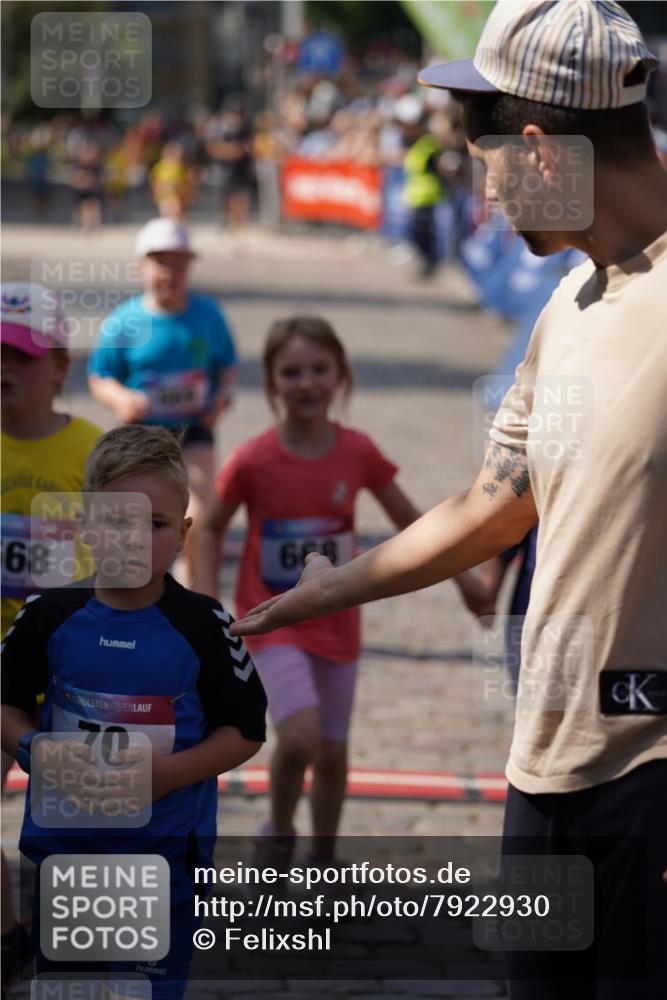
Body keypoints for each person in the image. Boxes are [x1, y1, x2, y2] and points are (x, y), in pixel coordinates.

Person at [231, 2, 667, 996]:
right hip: (548, 768)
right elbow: (493, 505)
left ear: (537, 147)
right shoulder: (571, 303)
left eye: (483, 164)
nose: (483, 194)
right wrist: (327, 591)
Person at [0, 424, 267, 1000]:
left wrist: (165, 774)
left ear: (183, 534)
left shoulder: (205, 626)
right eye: (117, 520)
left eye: (155, 525)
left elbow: (245, 729)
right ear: (86, 526)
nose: (134, 539)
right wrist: (36, 751)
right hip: (67, 857)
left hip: (161, 862)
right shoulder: (48, 615)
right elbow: (5, 702)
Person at [194, 316, 422, 866]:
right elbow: (208, 527)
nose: (306, 383)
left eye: (319, 369)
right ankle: (277, 834)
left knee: (335, 753)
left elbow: (414, 524)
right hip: (272, 623)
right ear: (272, 382)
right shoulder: (253, 459)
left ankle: (324, 858)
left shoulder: (358, 452)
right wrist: (203, 604)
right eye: (291, 372)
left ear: (341, 375)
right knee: (299, 738)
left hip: (337, 624)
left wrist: (467, 581)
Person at [1, 282, 101, 995]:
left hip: (71, 668)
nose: (4, 367)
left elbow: (132, 556)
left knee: (80, 822)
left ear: (61, 365)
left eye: (21, 355)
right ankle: (8, 939)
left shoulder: (93, 452)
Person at [87, 218, 237, 586]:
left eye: (178, 264)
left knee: (198, 516)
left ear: (189, 267)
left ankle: (194, 594)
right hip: (141, 436)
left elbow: (227, 366)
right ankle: (141, 590)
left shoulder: (208, 315)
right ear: (142, 266)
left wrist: (221, 398)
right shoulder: (124, 321)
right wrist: (121, 398)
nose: (169, 272)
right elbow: (99, 375)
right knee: (142, 518)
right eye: (160, 262)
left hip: (194, 430)